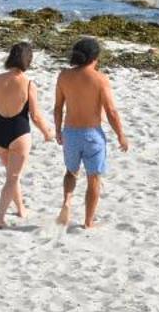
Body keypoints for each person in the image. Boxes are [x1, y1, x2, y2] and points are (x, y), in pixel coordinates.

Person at [0, 41, 55, 229]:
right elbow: (35, 115)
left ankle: (21, 209)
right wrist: (47, 132)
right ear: (28, 60)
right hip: (19, 133)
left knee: (12, 175)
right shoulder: (28, 84)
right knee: (13, 177)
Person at [52, 35, 129, 230]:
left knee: (70, 171)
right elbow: (111, 111)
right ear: (94, 58)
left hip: (70, 132)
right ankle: (88, 222)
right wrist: (120, 134)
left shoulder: (64, 76)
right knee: (93, 177)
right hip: (92, 134)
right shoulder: (100, 79)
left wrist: (58, 130)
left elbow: (58, 107)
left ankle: (67, 202)